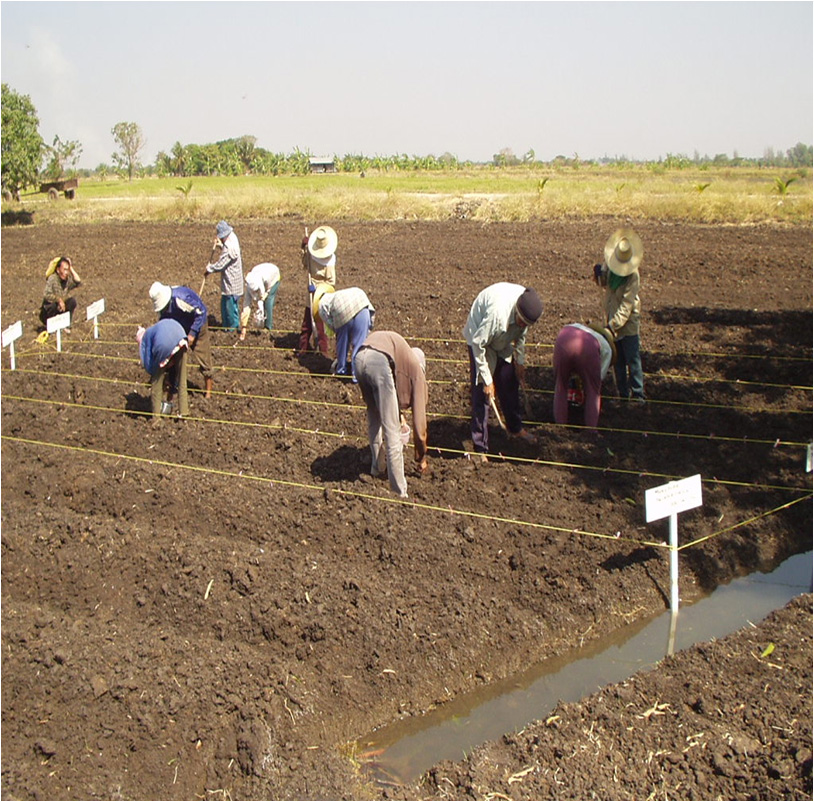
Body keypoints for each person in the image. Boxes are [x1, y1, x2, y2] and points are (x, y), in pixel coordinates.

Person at [463, 283, 542, 458]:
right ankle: (480, 447)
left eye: (526, 324)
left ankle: (515, 428)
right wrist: (488, 380)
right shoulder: (496, 315)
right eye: (521, 321)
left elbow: (521, 335)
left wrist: (519, 362)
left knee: (509, 380)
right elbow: (478, 344)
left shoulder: (526, 309)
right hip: (480, 337)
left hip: (502, 339)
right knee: (482, 392)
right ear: (516, 312)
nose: (523, 325)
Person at [353, 330, 429, 499]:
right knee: (392, 429)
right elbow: (419, 423)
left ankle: (377, 467)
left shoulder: (402, 354)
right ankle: (399, 491)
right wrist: (421, 455)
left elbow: (392, 392)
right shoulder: (416, 370)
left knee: (374, 418)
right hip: (378, 362)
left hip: (359, 359)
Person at [593, 228, 645, 402]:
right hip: (611, 317)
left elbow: (627, 304)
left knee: (633, 359)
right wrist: (599, 274)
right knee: (618, 361)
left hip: (627, 323)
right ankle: (623, 395)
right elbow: (605, 283)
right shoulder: (611, 263)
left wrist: (612, 326)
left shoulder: (633, 276)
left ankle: (638, 394)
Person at [149, 281, 214, 399]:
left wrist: (193, 333)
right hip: (178, 326)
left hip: (197, 324)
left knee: (203, 356)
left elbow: (201, 312)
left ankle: (208, 392)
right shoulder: (163, 310)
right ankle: (173, 384)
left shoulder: (181, 298)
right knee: (173, 354)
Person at [553, 323, 617, 429]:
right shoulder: (607, 349)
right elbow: (598, 379)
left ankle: (560, 427)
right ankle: (591, 430)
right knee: (593, 391)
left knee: (561, 385)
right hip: (587, 349)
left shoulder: (576, 326)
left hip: (563, 338)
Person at [316, 286, 375, 383]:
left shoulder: (321, 304)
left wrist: (340, 331)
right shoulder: (339, 294)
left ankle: (341, 371)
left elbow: (331, 325)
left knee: (342, 343)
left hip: (341, 310)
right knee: (359, 345)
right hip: (362, 304)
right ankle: (357, 375)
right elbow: (370, 313)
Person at [137, 318, 189, 417]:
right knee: (182, 379)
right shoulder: (155, 329)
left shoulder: (146, 339)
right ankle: (184, 412)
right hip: (181, 337)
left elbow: (149, 363)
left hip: (163, 343)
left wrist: (157, 373)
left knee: (157, 382)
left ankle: (156, 417)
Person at [298, 225, 337, 356]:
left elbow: (331, 282)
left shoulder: (330, 261)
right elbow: (305, 265)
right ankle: (303, 348)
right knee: (307, 322)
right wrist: (303, 249)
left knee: (320, 324)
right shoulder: (311, 254)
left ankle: (323, 351)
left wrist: (319, 289)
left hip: (322, 296)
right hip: (310, 292)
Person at [205, 220, 243, 332]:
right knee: (224, 306)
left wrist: (209, 268)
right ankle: (226, 328)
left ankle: (232, 330)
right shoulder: (232, 237)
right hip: (231, 281)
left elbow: (221, 264)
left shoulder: (230, 247)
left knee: (230, 309)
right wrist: (220, 245)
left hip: (232, 283)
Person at [239, 262, 281, 343]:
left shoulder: (262, 282)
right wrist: (244, 327)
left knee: (268, 300)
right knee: (263, 301)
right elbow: (246, 305)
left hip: (274, 277)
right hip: (265, 274)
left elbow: (264, 294)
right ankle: (264, 321)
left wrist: (267, 293)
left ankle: (268, 327)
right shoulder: (249, 285)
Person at [40, 256, 81, 331]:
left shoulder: (67, 280)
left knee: (72, 302)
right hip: (48, 311)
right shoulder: (52, 279)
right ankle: (52, 327)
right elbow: (46, 295)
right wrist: (58, 300)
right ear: (58, 270)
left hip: (60, 308)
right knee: (52, 306)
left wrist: (71, 268)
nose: (66, 272)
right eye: (64, 270)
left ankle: (66, 324)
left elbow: (78, 281)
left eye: (67, 270)